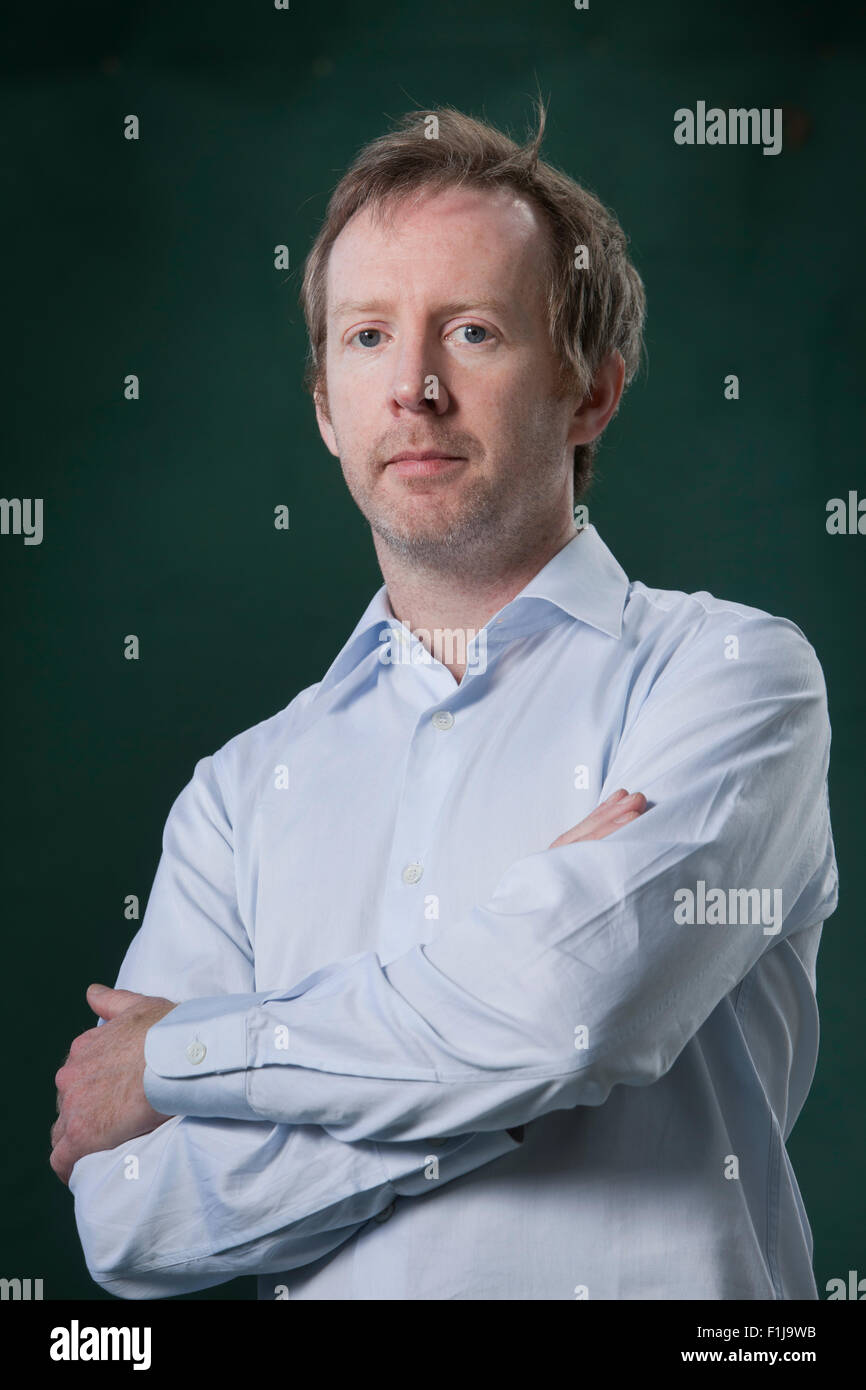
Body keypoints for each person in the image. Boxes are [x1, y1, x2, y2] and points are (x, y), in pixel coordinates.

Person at [51, 102, 838, 1300]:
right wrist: (502, 1057)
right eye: (367, 337)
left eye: (470, 331)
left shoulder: (730, 676)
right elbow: (129, 1219)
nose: (412, 386)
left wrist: (183, 1056)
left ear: (589, 393)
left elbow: (573, 1014)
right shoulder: (236, 798)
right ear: (324, 405)